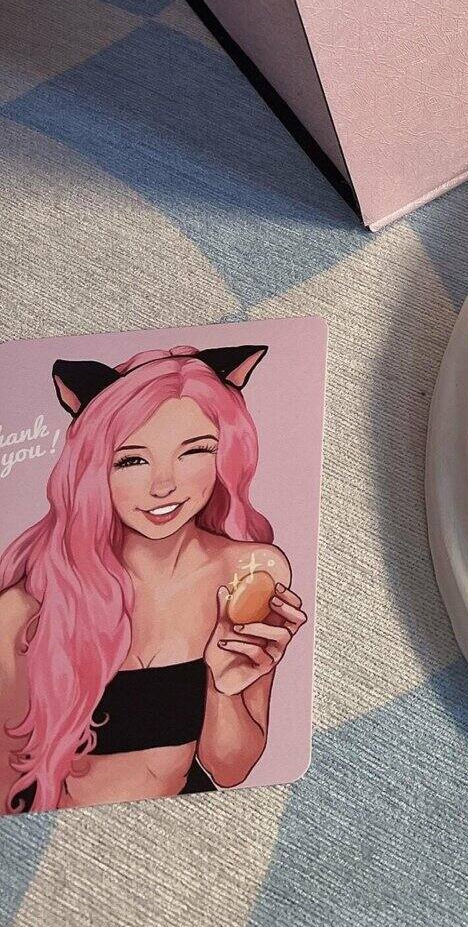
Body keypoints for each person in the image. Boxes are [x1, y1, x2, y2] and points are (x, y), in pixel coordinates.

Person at [0, 345, 307, 814]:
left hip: (189, 824)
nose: (164, 486)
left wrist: (223, 689)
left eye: (195, 451)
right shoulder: (22, 613)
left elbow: (231, 771)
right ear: (91, 470)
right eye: (131, 460)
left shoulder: (251, 574)